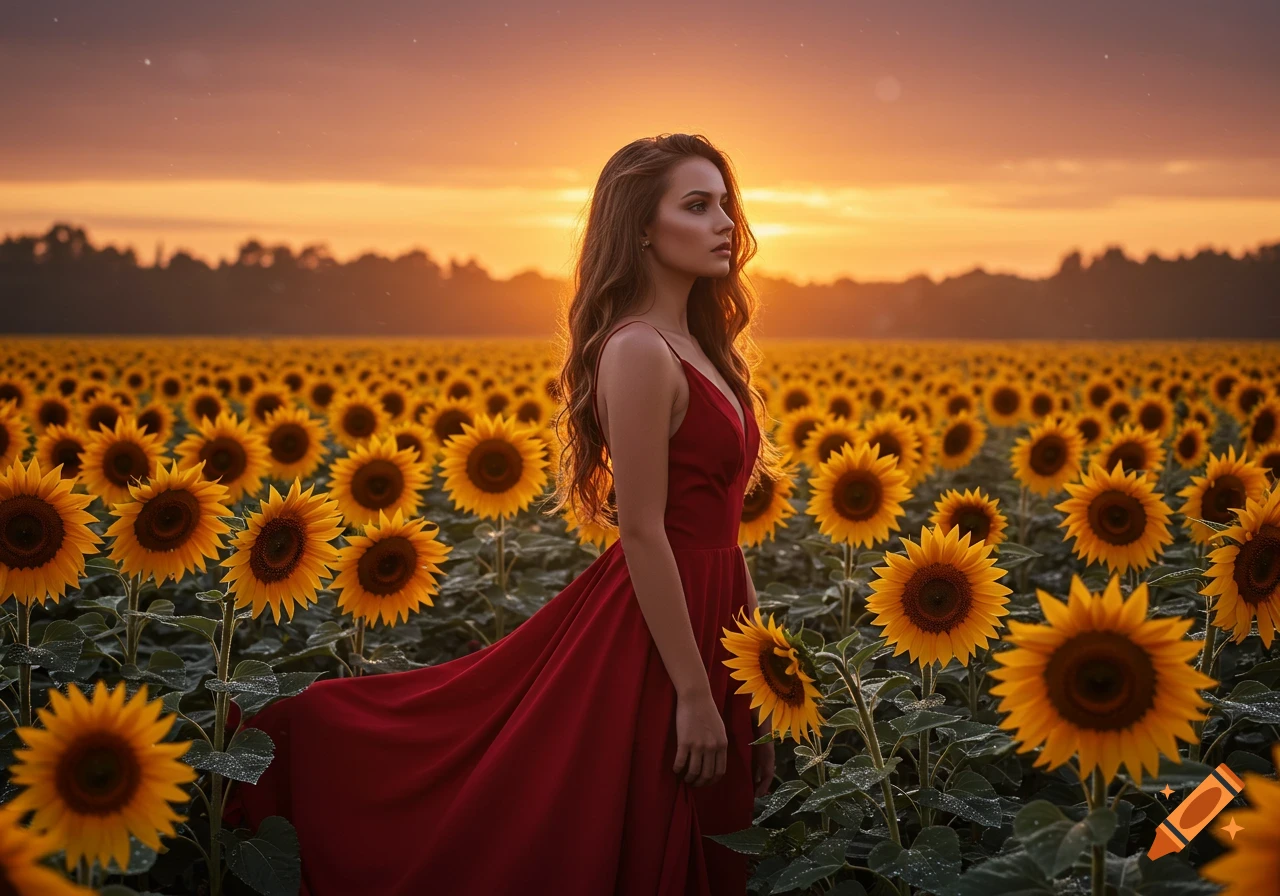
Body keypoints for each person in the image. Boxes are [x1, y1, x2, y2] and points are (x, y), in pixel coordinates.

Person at [222, 133, 789, 895]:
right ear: (642, 229)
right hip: (657, 632)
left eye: (725, 203)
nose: (725, 222)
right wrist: (693, 690)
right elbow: (645, 529)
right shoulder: (639, 351)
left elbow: (726, 532)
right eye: (697, 205)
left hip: (712, 622)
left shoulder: (709, 350)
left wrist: (756, 674)